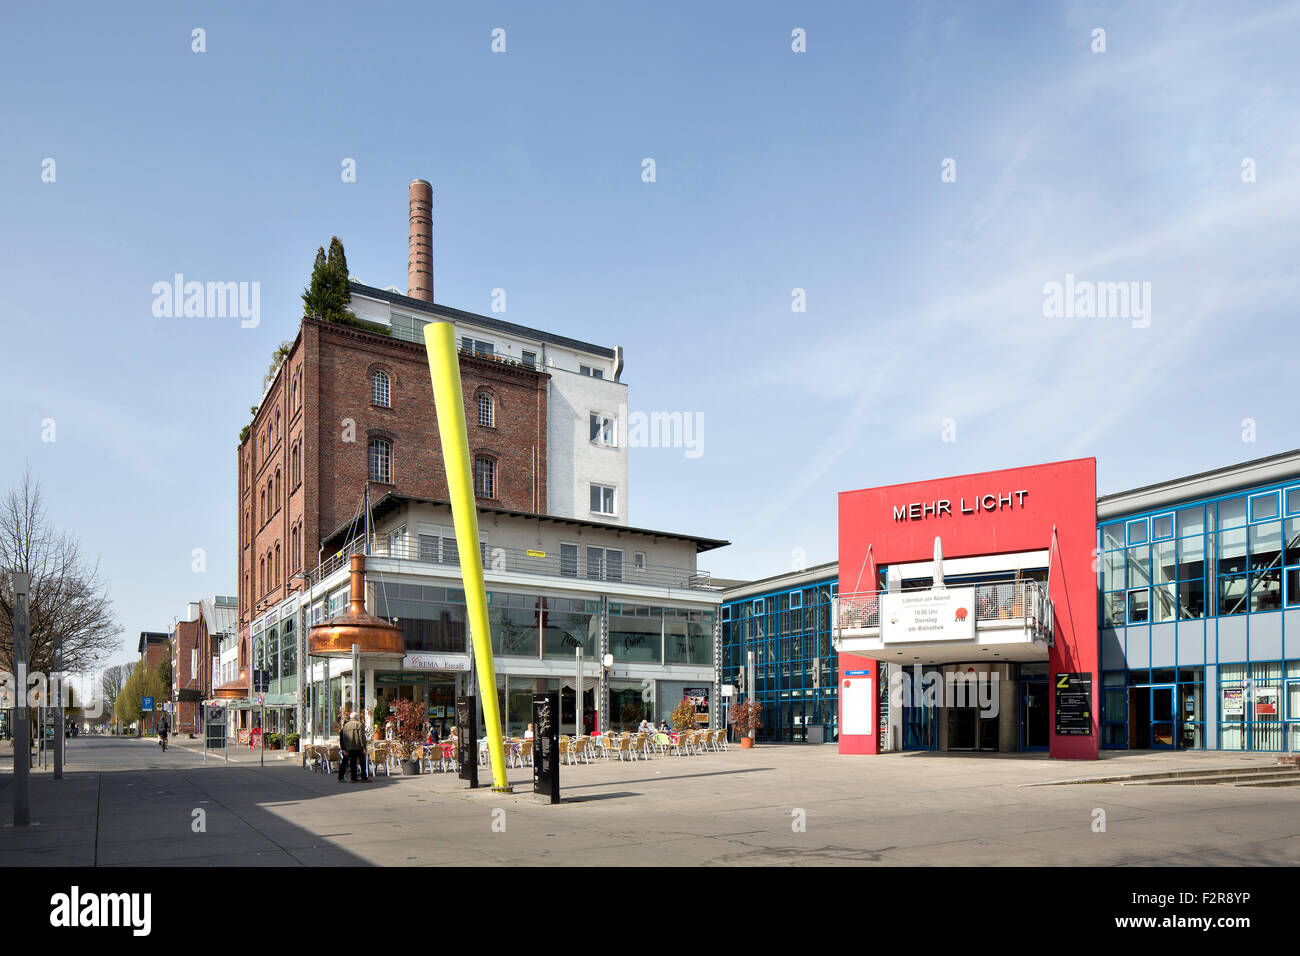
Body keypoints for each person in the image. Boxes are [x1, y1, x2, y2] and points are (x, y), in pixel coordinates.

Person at [339, 711, 366, 783]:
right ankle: (364, 777)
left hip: (348, 747)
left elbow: (342, 738)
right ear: (356, 717)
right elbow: (361, 737)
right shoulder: (359, 724)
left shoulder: (345, 726)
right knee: (362, 762)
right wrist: (364, 747)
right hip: (358, 747)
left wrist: (344, 749)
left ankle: (350, 778)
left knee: (351, 763)